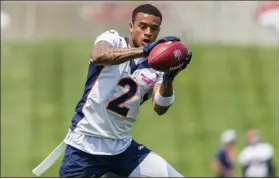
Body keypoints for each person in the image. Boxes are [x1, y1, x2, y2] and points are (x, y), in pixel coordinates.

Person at [58, 4, 192, 177]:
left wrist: (169, 78)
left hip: (122, 149)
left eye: (154, 28)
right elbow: (99, 55)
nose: (148, 32)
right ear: (131, 27)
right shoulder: (113, 39)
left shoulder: (156, 68)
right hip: (85, 146)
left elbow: (160, 107)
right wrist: (143, 51)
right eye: (142, 26)